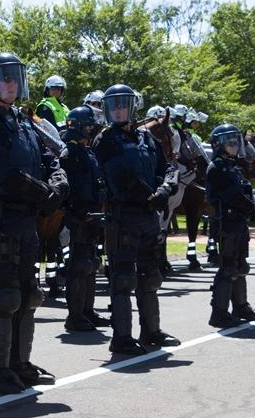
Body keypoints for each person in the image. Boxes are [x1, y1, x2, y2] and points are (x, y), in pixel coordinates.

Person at [0, 52, 67, 394]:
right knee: (5, 296)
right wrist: (45, 194)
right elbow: (3, 174)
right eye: (2, 77)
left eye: (14, 77)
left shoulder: (26, 122)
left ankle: (20, 363)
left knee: (30, 295)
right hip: (1, 220)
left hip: (27, 222)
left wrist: (59, 182)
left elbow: (51, 157)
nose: (10, 83)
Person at [93, 84, 181, 355]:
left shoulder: (146, 139)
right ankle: (121, 338)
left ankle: (151, 331)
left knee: (150, 277)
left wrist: (166, 189)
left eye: (123, 104)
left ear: (133, 106)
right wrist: (150, 195)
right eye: (113, 105)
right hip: (123, 216)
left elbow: (167, 167)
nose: (118, 109)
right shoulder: (105, 140)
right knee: (122, 279)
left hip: (148, 217)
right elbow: (119, 175)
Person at [205, 124, 255, 328]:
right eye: (228, 141)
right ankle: (219, 313)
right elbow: (233, 196)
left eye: (235, 141)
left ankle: (240, 307)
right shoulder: (218, 167)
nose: (233, 145)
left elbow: (248, 189)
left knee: (241, 266)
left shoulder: (233, 166)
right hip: (226, 223)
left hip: (238, 223)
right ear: (218, 145)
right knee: (228, 268)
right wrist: (252, 208)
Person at [60, 107, 109, 332]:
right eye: (88, 125)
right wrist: (81, 212)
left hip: (93, 215)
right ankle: (75, 315)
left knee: (91, 263)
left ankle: (88, 311)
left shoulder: (86, 151)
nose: (91, 129)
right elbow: (75, 188)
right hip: (80, 216)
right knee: (79, 266)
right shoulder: (70, 153)